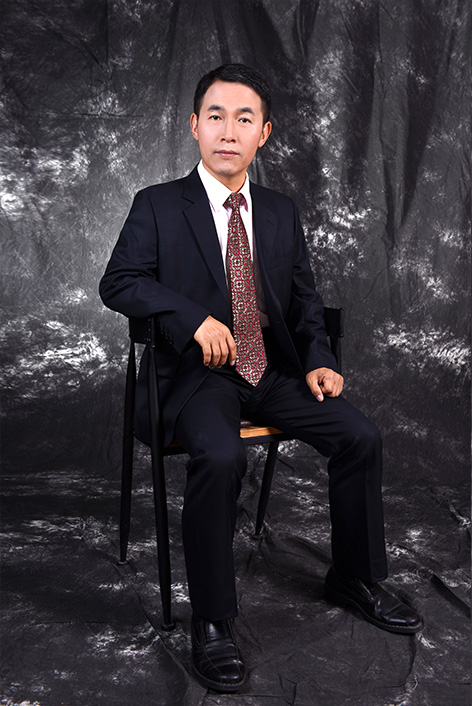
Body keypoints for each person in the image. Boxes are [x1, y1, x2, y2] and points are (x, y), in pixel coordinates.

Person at [99, 63, 422, 693]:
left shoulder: (278, 211)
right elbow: (119, 282)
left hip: (269, 370)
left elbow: (302, 299)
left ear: (263, 133)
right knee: (223, 456)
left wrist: (320, 358)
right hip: (195, 377)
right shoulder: (157, 204)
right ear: (194, 126)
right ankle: (212, 620)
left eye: (244, 119)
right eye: (215, 116)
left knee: (360, 436)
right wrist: (193, 320)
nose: (229, 131)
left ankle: (353, 576)